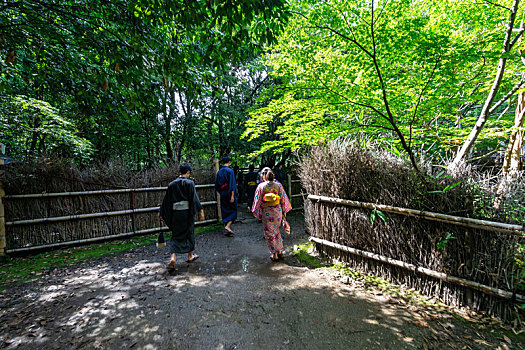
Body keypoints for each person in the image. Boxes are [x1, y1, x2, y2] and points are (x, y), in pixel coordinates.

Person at [159, 163, 205, 269]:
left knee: (176, 235)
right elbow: (194, 199)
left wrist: (161, 212)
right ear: (188, 172)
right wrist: (201, 212)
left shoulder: (172, 184)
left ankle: (173, 257)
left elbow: (166, 201)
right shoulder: (190, 183)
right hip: (187, 213)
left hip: (176, 214)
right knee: (189, 233)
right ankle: (190, 256)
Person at [252, 168, 292, 261]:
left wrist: (256, 210)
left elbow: (257, 200)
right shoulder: (278, 185)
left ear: (263, 176)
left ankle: (274, 254)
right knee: (277, 231)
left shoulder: (261, 186)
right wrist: (283, 211)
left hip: (267, 212)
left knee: (269, 233)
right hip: (277, 211)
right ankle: (280, 251)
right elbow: (283, 199)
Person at [215, 156, 237, 236]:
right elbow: (232, 184)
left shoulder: (219, 172)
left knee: (224, 209)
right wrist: (232, 195)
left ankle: (227, 229)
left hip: (222, 193)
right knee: (233, 210)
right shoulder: (230, 171)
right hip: (229, 192)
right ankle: (228, 226)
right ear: (229, 162)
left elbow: (217, 185)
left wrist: (221, 192)